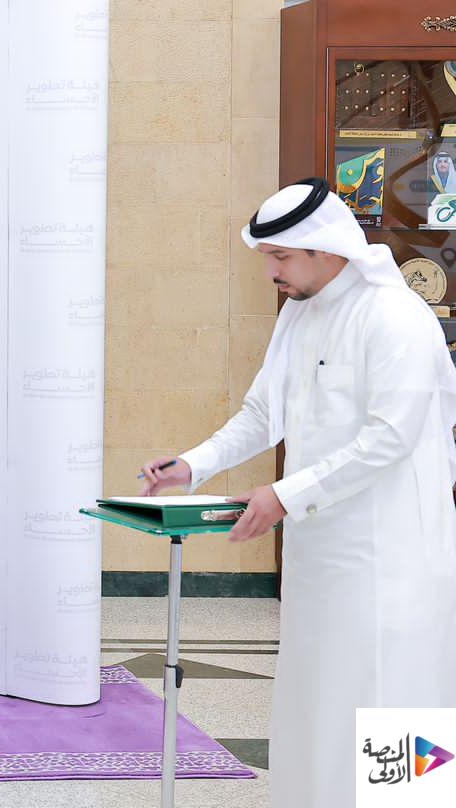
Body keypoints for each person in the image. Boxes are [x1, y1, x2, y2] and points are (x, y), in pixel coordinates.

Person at [140, 178, 456, 807]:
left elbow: (391, 436)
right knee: (320, 701)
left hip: (391, 556)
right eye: (268, 258)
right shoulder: (300, 314)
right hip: (322, 554)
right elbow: (264, 413)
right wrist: (193, 466)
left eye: (281, 257)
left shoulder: (394, 316)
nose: (272, 273)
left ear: (323, 247)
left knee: (391, 699)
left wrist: (284, 495)